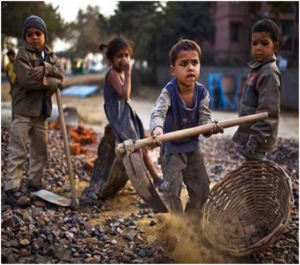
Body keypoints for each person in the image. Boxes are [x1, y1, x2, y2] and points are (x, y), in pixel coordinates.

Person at [150, 39, 223, 215]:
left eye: (194, 62)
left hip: (192, 149)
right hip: (172, 150)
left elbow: (205, 118)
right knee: (171, 190)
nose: (190, 67)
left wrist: (210, 127)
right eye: (184, 64)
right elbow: (158, 112)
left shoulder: (202, 93)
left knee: (202, 187)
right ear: (173, 70)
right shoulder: (169, 91)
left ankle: (192, 222)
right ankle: (176, 226)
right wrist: (157, 129)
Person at [5, 15, 64, 207]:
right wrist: (53, 81)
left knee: (40, 150)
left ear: (44, 36)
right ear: (25, 38)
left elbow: (61, 71)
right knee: (18, 150)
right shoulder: (22, 55)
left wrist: (46, 67)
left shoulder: (51, 56)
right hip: (23, 111)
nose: (34, 38)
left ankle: (34, 182)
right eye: (30, 35)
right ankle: (12, 189)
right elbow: (28, 81)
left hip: (41, 112)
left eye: (38, 34)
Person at [99, 37, 163, 188]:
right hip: (121, 119)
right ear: (111, 60)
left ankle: (156, 178)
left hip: (127, 115)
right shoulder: (113, 74)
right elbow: (125, 94)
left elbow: (126, 99)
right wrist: (128, 73)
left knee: (143, 148)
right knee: (135, 151)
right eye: (119, 56)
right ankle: (145, 184)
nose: (124, 59)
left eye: (126, 55)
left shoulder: (120, 73)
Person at [232, 19, 282, 160]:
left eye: (264, 43)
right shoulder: (258, 69)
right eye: (254, 43)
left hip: (258, 139)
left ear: (275, 46)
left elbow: (267, 112)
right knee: (251, 176)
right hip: (251, 136)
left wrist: (254, 141)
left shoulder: (269, 73)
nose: (258, 48)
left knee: (256, 177)